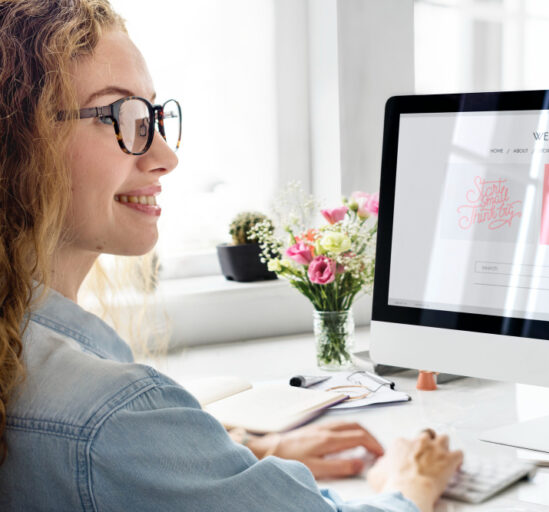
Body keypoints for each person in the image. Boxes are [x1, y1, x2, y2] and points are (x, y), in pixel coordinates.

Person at [0, 1, 463, 510]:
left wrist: (241, 450)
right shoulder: (113, 414)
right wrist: (410, 486)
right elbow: (108, 438)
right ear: (20, 144)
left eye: (153, 115)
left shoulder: (27, 354)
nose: (165, 157)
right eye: (122, 115)